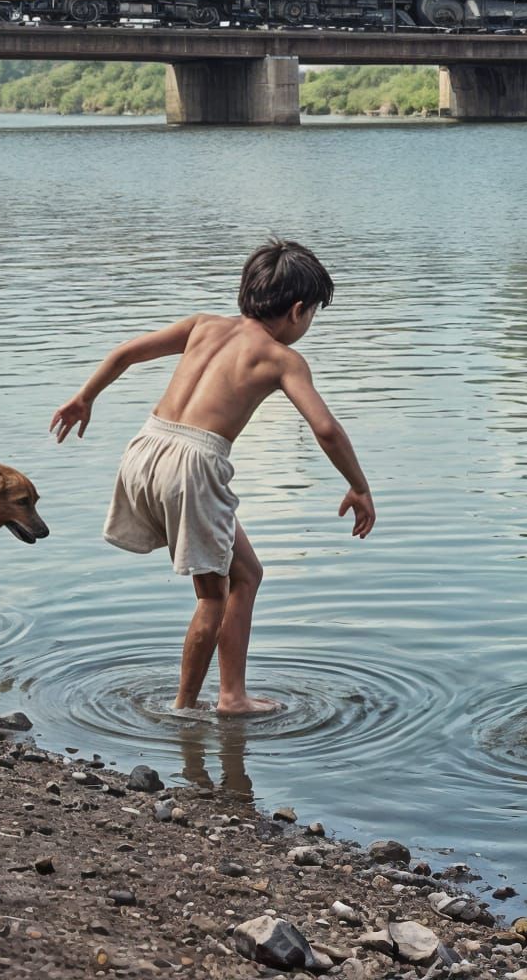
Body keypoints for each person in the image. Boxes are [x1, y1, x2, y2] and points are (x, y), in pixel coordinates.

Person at [49, 239, 376, 716]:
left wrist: (85, 397)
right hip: (193, 464)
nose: (308, 326)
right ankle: (187, 708)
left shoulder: (202, 325)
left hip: (145, 447)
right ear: (298, 310)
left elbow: (125, 354)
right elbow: (325, 427)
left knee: (247, 573)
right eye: (312, 317)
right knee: (213, 593)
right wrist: (359, 486)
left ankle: (230, 695)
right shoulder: (281, 358)